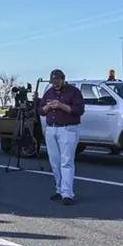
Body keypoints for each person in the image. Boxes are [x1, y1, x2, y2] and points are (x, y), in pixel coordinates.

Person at [38, 69, 85, 205]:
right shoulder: (49, 93)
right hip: (51, 128)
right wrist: (47, 107)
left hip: (67, 129)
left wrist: (60, 105)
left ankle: (67, 193)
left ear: (63, 79)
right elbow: (40, 110)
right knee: (54, 161)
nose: (56, 84)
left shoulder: (74, 92)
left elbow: (79, 110)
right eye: (53, 81)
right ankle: (59, 189)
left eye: (58, 81)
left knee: (66, 161)